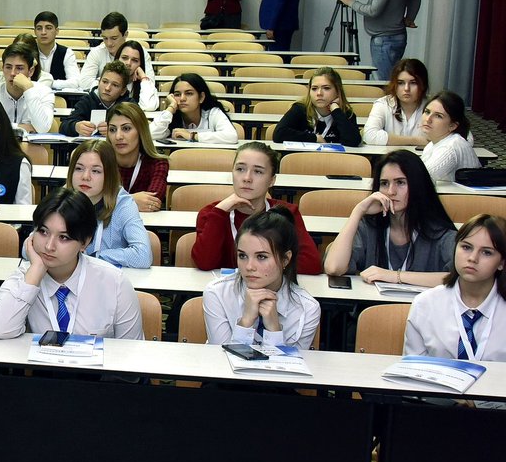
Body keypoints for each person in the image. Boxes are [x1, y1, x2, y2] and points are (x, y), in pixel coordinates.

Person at [0, 188, 142, 340]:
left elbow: (130, 354)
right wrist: (36, 271)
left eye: (64, 238)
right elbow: (1, 329)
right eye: (43, 232)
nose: (49, 246)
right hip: (42, 366)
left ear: (85, 242)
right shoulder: (25, 277)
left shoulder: (115, 283)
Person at [324, 150, 456, 287]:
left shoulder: (441, 233)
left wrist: (395, 276)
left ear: (418, 185)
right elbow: (334, 267)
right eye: (384, 183)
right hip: (374, 307)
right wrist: (358, 211)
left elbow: (462, 281)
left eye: (400, 182)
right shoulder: (369, 226)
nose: (391, 191)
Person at [193, 142, 322, 273]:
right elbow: (204, 263)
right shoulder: (212, 213)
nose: (247, 178)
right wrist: (219, 213)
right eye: (240, 169)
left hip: (271, 291)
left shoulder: (285, 213)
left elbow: (311, 265)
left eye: (258, 171)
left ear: (272, 180)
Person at [203, 207, 320, 349]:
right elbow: (222, 364)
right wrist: (246, 322)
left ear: (285, 259)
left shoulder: (307, 309)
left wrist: (274, 330)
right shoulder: (217, 293)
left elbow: (291, 368)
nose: (249, 266)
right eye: (242, 256)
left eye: (261, 257)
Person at [405, 214, 506, 361]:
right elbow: (413, 370)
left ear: (502, 262)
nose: (472, 258)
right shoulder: (424, 304)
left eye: (486, 252)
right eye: (466, 247)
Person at [64, 140, 150, 268]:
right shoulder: (62, 198)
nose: (85, 177)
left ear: (109, 175)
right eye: (79, 168)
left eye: (96, 171)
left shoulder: (123, 204)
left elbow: (143, 256)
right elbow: (29, 247)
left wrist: (93, 257)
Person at [272, 67, 362, 146]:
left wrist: (336, 111)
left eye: (326, 88)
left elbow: (353, 141)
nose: (319, 93)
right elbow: (278, 134)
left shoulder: (345, 113)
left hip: (334, 162)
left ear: (338, 91)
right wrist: (315, 138)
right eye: (314, 89)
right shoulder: (300, 109)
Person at [108, 103, 169, 213]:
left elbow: (153, 201)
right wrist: (132, 200)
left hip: (143, 227)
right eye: (112, 130)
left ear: (141, 131)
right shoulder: (100, 161)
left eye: (126, 128)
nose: (118, 136)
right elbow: (87, 200)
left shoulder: (157, 163)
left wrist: (111, 202)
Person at [149, 73, 238, 144]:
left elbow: (231, 136)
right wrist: (171, 107)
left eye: (189, 93)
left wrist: (192, 136)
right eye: (177, 94)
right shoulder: (171, 118)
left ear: (201, 97)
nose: (182, 98)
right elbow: (149, 135)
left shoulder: (213, 113)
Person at [0, 40, 55, 133]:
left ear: (31, 71)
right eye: (8, 67)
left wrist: (28, 89)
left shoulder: (44, 92)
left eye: (19, 68)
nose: (12, 73)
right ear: (3, 68)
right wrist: (22, 127)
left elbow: (43, 128)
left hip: (32, 147)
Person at [363, 57, 429, 146]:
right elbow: (369, 135)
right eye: (400, 83)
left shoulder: (432, 107)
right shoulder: (383, 104)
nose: (406, 89)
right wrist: (416, 140)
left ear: (423, 84)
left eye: (413, 83)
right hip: (389, 158)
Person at [419, 90, 480, 183]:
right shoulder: (432, 144)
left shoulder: (449, 148)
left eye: (438, 116)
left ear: (453, 126)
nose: (428, 119)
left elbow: (419, 180)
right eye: (427, 112)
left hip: (467, 197)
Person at [61, 60, 129, 137]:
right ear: (99, 82)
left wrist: (115, 130)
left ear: (123, 91)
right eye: (105, 82)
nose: (107, 88)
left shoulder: (128, 105)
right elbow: (64, 125)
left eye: (115, 85)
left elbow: (139, 129)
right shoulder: (87, 100)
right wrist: (76, 127)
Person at [79, 12, 131, 92]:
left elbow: (149, 83)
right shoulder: (96, 52)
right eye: (105, 38)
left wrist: (100, 82)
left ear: (125, 35)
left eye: (114, 38)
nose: (109, 43)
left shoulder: (139, 54)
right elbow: (84, 83)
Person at [33, 11, 81, 91]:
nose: (43, 32)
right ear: (34, 32)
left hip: (59, 99)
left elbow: (75, 82)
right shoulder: (28, 52)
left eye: (48, 28)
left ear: (57, 31)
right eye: (39, 28)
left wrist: (48, 83)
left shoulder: (66, 53)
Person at [116, 40, 158, 111]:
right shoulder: (104, 81)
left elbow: (148, 107)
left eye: (135, 60)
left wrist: (143, 78)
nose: (128, 63)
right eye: (124, 58)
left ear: (140, 64)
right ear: (117, 59)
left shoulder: (145, 85)